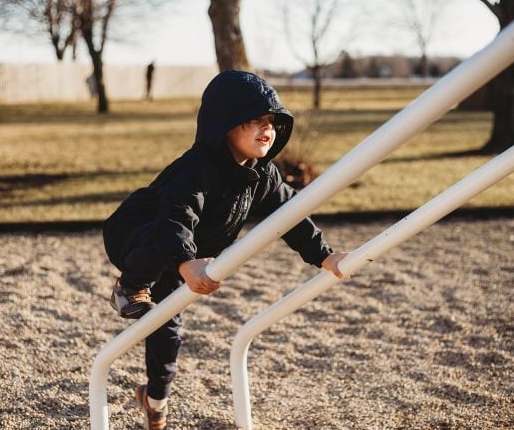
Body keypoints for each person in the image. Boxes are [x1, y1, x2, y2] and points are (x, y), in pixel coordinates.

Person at [102, 69, 347, 429]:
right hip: (140, 235)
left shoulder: (264, 175)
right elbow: (176, 220)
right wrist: (186, 263)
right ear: (224, 125)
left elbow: (290, 217)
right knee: (161, 237)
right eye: (253, 121)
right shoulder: (195, 170)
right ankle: (129, 286)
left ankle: (154, 401)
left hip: (186, 257)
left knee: (167, 329)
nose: (267, 129)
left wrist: (324, 256)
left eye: (272, 122)